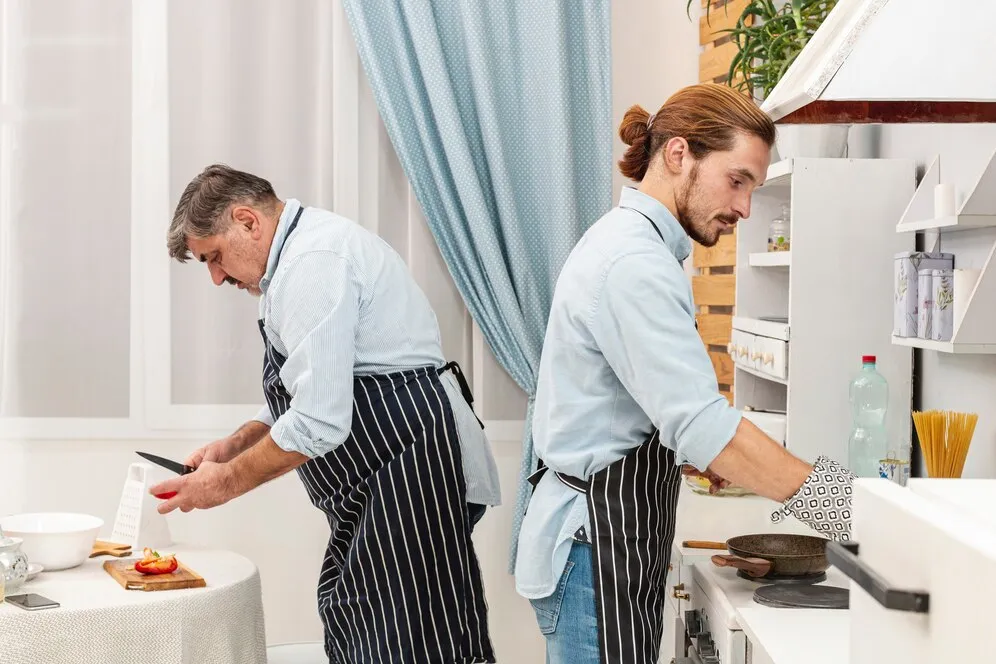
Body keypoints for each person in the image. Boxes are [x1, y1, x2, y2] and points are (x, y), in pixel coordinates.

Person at [514, 83, 855, 664]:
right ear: (679, 156)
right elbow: (702, 423)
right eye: (738, 179)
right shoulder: (634, 264)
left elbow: (641, 406)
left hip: (604, 542)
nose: (745, 208)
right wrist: (846, 507)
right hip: (593, 551)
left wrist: (693, 452)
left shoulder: (640, 247)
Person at [152, 164, 501, 664]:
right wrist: (236, 444)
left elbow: (318, 419)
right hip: (378, 489)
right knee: (366, 625)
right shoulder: (296, 260)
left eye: (215, 257)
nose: (216, 277)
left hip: (405, 475)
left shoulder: (312, 264)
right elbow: (314, 386)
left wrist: (222, 483)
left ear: (247, 221)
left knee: (410, 645)